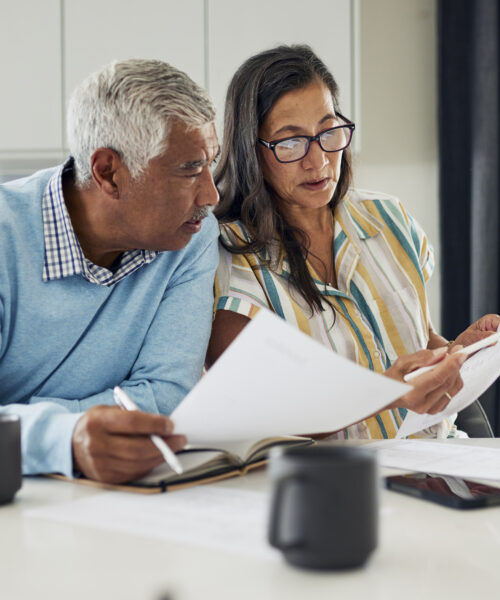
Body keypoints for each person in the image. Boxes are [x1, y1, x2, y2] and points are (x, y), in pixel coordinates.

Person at [207, 44, 500, 439]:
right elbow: (261, 413)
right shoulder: (226, 261)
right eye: (290, 143)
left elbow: (416, 336)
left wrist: (457, 353)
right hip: (336, 483)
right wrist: (387, 394)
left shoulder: (389, 218)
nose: (319, 161)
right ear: (251, 150)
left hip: (440, 462)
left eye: (328, 132)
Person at [0, 59, 220, 483]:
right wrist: (64, 438)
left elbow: (166, 397)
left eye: (211, 163)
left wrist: (24, 426)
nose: (210, 194)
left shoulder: (191, 236)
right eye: (190, 169)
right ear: (108, 173)